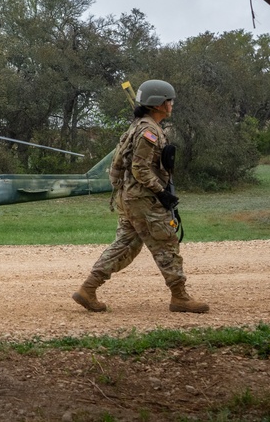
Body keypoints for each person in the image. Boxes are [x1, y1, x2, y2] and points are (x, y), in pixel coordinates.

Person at [72, 79, 209, 314]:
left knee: (125, 245)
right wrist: (161, 192)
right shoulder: (149, 132)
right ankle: (180, 297)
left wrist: (121, 192)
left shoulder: (136, 127)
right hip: (144, 199)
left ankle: (88, 289)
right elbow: (140, 168)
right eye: (169, 100)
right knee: (166, 243)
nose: (172, 104)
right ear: (158, 104)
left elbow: (116, 166)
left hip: (131, 198)